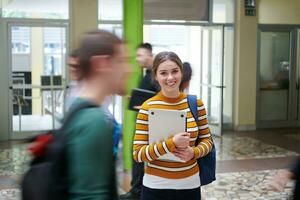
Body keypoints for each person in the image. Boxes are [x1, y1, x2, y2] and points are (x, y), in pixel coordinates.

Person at [133, 51, 213, 200]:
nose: (170, 78)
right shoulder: (147, 107)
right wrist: (171, 143)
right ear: (156, 76)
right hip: (155, 188)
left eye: (175, 71)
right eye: (163, 73)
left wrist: (193, 152)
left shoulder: (196, 104)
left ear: (181, 73)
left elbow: (207, 141)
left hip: (190, 186)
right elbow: (138, 154)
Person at [64, 30, 130, 199]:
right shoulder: (94, 121)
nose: (129, 69)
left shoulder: (79, 109)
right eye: (122, 61)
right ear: (101, 63)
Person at [120, 43, 159, 200]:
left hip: (151, 124)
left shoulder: (155, 75)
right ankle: (137, 190)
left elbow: (160, 98)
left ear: (150, 55)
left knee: (139, 156)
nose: (137, 59)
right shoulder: (146, 73)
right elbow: (150, 96)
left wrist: (146, 104)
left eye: (140, 55)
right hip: (144, 121)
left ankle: (137, 192)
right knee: (137, 156)